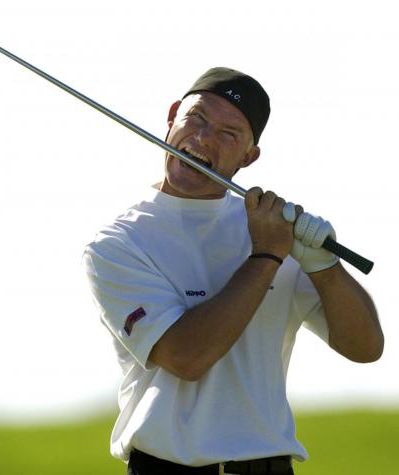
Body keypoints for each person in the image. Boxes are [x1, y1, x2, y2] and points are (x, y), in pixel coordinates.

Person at [83, 67, 383, 475]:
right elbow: (187, 357)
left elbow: (365, 348)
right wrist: (264, 258)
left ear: (249, 156)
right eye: (197, 119)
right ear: (172, 116)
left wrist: (324, 266)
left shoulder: (271, 231)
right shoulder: (119, 244)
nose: (204, 139)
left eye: (229, 133)